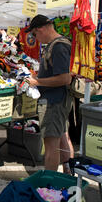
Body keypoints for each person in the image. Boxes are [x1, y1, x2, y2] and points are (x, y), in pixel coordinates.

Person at [25, 14, 74, 174]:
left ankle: (50, 183)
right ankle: (68, 173)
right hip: (59, 101)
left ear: (40, 29)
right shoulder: (59, 44)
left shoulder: (58, 47)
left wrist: (37, 82)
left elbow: (64, 78)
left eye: (34, 34)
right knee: (62, 136)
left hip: (54, 102)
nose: (35, 38)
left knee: (51, 145)